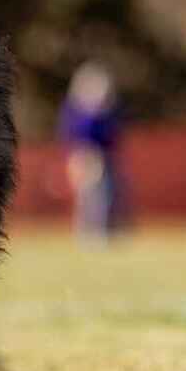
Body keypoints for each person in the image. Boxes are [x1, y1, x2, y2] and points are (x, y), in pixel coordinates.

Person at [58, 63, 123, 244]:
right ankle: (87, 234)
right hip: (84, 155)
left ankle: (104, 231)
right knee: (87, 197)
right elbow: (71, 134)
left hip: (104, 156)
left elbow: (112, 135)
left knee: (105, 196)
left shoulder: (108, 110)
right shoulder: (76, 110)